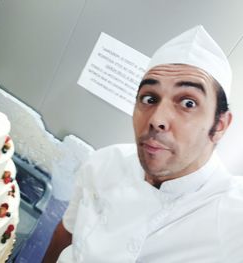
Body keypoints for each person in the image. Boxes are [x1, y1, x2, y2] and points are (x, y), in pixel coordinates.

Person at [42, 25, 243, 263]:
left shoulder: (232, 216)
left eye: (188, 103)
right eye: (149, 98)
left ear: (219, 124)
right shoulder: (104, 162)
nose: (157, 119)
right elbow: (65, 233)